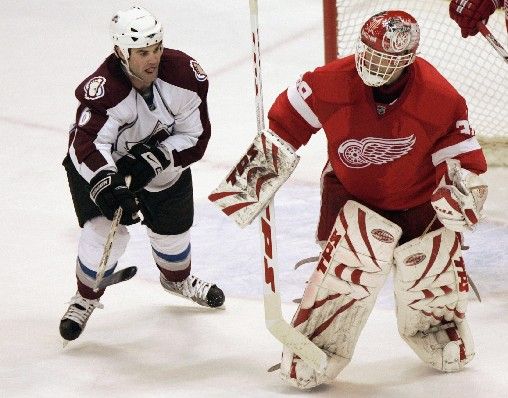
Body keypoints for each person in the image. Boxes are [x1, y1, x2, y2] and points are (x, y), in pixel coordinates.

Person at [210, 10, 488, 389]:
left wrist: (461, 192)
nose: (371, 66)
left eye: (384, 60)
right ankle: (316, 343)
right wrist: (258, 173)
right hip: (352, 194)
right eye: (368, 54)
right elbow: (285, 123)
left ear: (406, 62)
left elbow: (462, 160)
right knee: (348, 272)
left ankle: (436, 327)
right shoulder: (330, 81)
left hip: (419, 197)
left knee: (430, 268)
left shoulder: (439, 96)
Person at [60, 6, 225, 343]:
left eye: (157, 49)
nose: (153, 59)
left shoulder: (183, 76)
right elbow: (86, 142)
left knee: (173, 229)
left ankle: (176, 280)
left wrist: (158, 157)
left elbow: (195, 136)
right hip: (100, 166)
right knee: (105, 231)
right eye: (143, 53)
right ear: (122, 52)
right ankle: (85, 297)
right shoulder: (106, 89)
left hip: (156, 159)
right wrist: (107, 181)